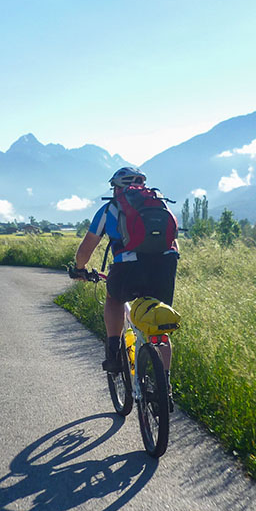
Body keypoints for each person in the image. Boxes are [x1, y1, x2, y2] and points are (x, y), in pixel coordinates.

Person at [71, 166, 179, 399]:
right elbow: (174, 242)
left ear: (116, 188)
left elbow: (87, 247)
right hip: (164, 267)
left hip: (128, 268)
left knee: (114, 299)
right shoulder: (160, 204)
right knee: (158, 323)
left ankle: (113, 351)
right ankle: (166, 386)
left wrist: (79, 269)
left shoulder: (110, 208)